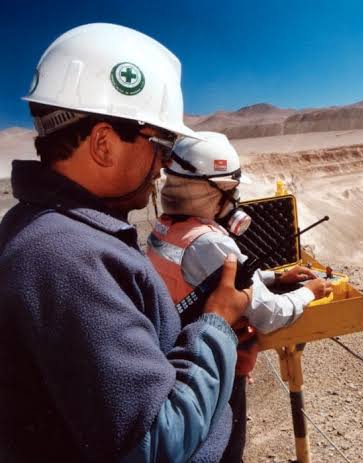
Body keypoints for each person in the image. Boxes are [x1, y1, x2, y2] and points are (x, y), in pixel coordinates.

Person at [0, 23, 248, 462]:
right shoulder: (66, 258)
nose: (165, 164)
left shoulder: (57, 233)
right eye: (161, 142)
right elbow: (155, 443)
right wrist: (217, 326)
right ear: (102, 144)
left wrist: (213, 349)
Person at [146, 131, 333, 462]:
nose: (234, 202)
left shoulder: (166, 229)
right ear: (207, 190)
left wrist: (276, 276)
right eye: (230, 192)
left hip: (181, 352)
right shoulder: (209, 242)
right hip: (216, 369)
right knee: (226, 449)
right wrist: (309, 292)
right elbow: (268, 314)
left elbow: (219, 281)